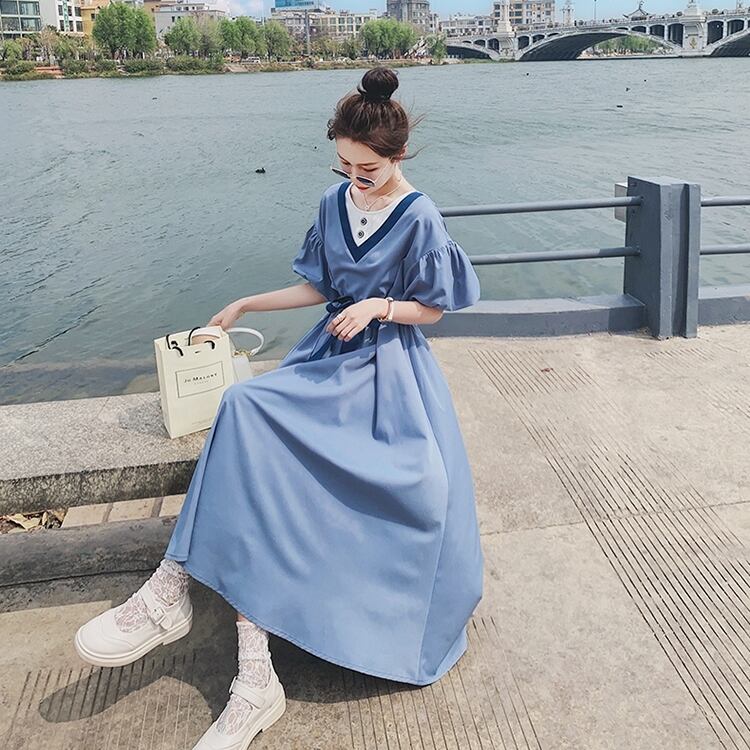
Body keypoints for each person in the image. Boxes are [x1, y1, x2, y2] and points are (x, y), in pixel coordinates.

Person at [73, 65, 484, 750]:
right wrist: (244, 304)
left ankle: (189, 603)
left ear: (398, 155)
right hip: (328, 358)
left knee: (400, 483)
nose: (356, 180)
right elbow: (319, 287)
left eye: (368, 169)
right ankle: (175, 589)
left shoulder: (420, 215)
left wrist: (379, 306)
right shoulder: (333, 202)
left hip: (387, 373)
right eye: (345, 166)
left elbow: (435, 309)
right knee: (244, 406)